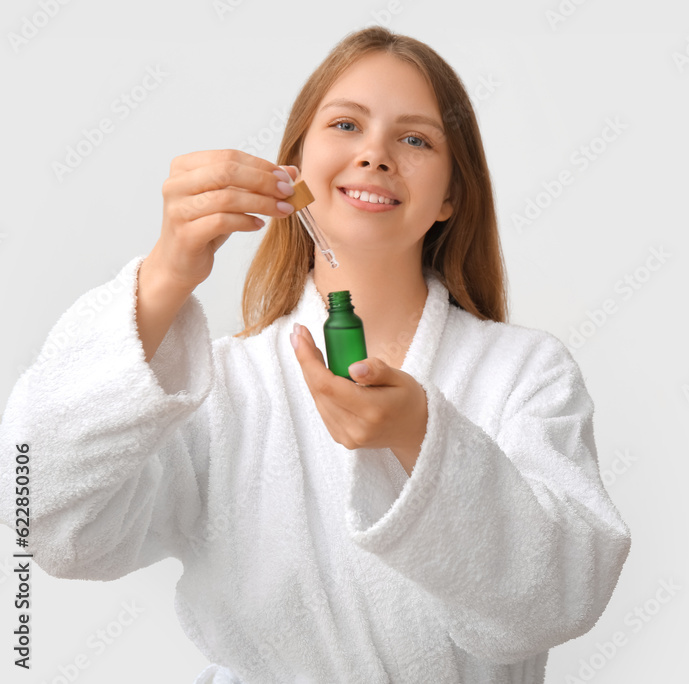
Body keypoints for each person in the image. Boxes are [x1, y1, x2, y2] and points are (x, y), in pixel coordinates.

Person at [0, 26, 631, 683]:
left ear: (451, 195)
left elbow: (561, 596)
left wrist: (420, 438)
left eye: (415, 138)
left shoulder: (524, 374)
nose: (376, 154)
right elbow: (38, 512)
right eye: (346, 124)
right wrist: (164, 278)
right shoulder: (224, 388)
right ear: (293, 169)